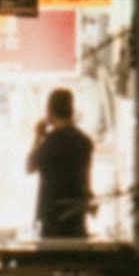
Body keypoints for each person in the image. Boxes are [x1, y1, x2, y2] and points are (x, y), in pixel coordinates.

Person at [28, 88, 96, 239]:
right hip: (77, 212)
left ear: (50, 111)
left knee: (52, 259)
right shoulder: (84, 141)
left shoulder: (51, 141)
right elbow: (86, 178)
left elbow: (30, 167)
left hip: (52, 213)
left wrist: (38, 136)